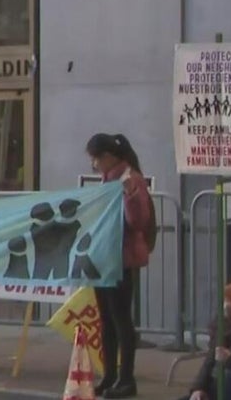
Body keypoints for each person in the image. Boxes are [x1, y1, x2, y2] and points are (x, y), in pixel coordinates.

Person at [85, 133, 153, 399]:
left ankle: (126, 378)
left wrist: (129, 196)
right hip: (105, 257)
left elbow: (138, 221)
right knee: (106, 320)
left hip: (122, 259)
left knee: (121, 319)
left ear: (108, 157)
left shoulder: (130, 180)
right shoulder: (108, 179)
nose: (94, 165)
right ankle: (110, 375)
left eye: (96, 159)